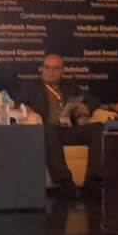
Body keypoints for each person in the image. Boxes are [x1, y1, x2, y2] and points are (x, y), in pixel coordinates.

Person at [17, 54, 103, 199]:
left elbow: (94, 100)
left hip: (69, 130)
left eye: (55, 68)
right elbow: (16, 103)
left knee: (98, 128)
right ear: (42, 69)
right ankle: (64, 182)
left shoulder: (69, 86)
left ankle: (93, 180)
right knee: (49, 129)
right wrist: (25, 108)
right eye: (47, 68)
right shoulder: (31, 87)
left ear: (62, 70)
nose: (51, 72)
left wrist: (86, 107)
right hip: (48, 132)